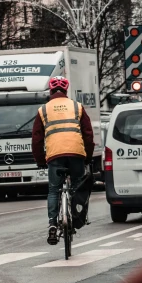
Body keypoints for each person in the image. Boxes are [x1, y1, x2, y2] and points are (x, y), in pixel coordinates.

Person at [32, 77, 94, 246]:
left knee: (53, 190)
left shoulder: (43, 110)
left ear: (50, 91)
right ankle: (75, 216)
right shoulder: (77, 107)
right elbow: (88, 135)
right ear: (66, 91)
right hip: (76, 154)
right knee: (77, 187)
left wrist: (40, 160)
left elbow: (37, 139)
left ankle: (52, 224)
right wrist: (87, 156)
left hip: (55, 155)